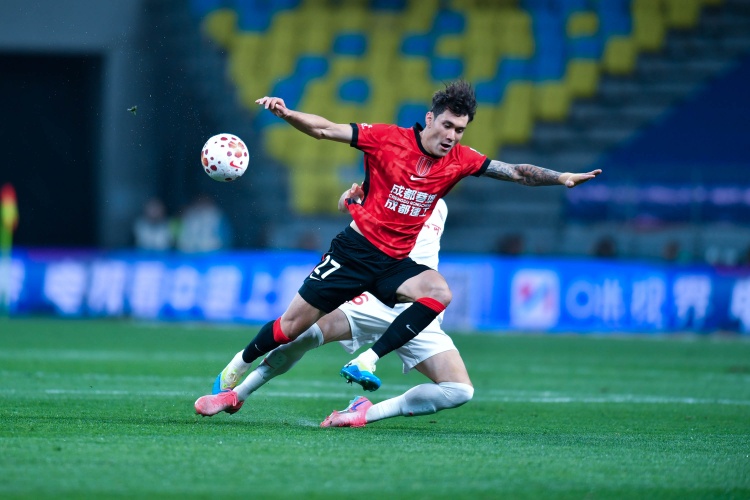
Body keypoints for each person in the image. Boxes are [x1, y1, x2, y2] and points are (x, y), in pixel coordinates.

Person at [195, 80, 601, 405]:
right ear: (430, 118)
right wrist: (287, 114)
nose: (452, 136)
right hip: (354, 254)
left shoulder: (461, 160)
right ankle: (237, 365)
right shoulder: (386, 139)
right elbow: (324, 129)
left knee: (439, 292)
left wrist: (561, 177)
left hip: (394, 263)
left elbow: (516, 172)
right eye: (447, 126)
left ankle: (368, 360)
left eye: (460, 130)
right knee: (289, 328)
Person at [195, 187, 473, 428]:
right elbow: (349, 202)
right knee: (302, 335)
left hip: (417, 308)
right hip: (375, 294)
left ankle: (365, 412)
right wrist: (349, 198)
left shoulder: (440, 205)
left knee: (459, 390)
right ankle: (236, 395)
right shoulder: (390, 185)